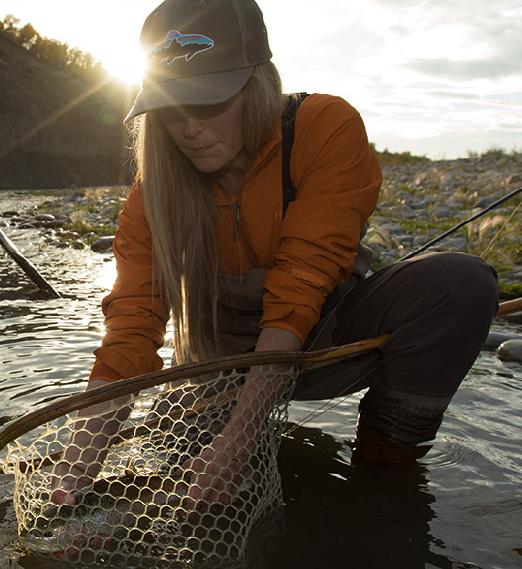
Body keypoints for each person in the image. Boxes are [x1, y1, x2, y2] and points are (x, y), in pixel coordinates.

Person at [50, 0, 499, 508]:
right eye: (171, 107)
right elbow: (133, 321)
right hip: (218, 365)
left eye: (208, 100)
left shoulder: (324, 127)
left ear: (258, 82)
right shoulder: (150, 194)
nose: (188, 128)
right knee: (195, 491)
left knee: (461, 284)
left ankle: (384, 470)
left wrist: (239, 444)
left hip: (322, 336)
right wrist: (80, 455)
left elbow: (301, 286)